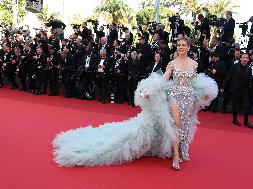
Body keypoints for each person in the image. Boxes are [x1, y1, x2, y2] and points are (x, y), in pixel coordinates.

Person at [53, 37, 218, 170]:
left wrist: (204, 94)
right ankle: (175, 155)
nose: (181, 47)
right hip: (175, 96)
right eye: (178, 45)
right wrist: (151, 91)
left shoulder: (194, 64)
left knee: (185, 125)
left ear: (189, 46)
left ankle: (183, 151)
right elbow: (163, 79)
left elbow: (195, 82)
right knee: (175, 124)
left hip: (189, 97)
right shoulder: (172, 63)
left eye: (183, 45)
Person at [221, 53, 253, 128]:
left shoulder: (249, 69)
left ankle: (246, 121)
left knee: (246, 105)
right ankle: (234, 120)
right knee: (234, 105)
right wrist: (223, 87)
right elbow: (228, 77)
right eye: (243, 57)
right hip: (235, 89)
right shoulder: (234, 66)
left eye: (246, 58)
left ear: (248, 59)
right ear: (240, 59)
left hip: (244, 90)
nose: (245, 59)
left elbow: (250, 80)